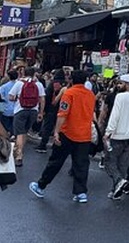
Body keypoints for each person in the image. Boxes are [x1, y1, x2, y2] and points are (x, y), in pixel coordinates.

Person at [28, 70, 96, 203]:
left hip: (68, 132)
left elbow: (62, 113)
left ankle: (41, 186)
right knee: (81, 164)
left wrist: (56, 131)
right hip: (84, 134)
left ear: (71, 80)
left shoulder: (69, 93)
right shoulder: (90, 95)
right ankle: (81, 192)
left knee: (55, 161)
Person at [8, 66, 46, 167]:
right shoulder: (39, 84)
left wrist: (18, 98)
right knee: (24, 132)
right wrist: (41, 113)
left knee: (19, 133)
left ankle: (19, 155)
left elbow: (10, 96)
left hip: (20, 110)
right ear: (34, 73)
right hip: (33, 111)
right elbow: (42, 99)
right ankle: (18, 150)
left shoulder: (19, 83)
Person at [36, 69, 66, 153]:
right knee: (58, 128)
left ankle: (42, 145)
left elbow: (47, 97)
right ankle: (56, 145)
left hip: (51, 109)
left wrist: (43, 110)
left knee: (47, 127)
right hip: (61, 109)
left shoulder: (53, 83)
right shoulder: (65, 85)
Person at [0, 70, 18, 135]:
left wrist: (1, 110)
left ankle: (6, 139)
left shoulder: (4, 87)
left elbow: (1, 99)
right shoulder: (20, 86)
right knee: (13, 126)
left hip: (6, 110)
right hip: (16, 110)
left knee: (5, 127)